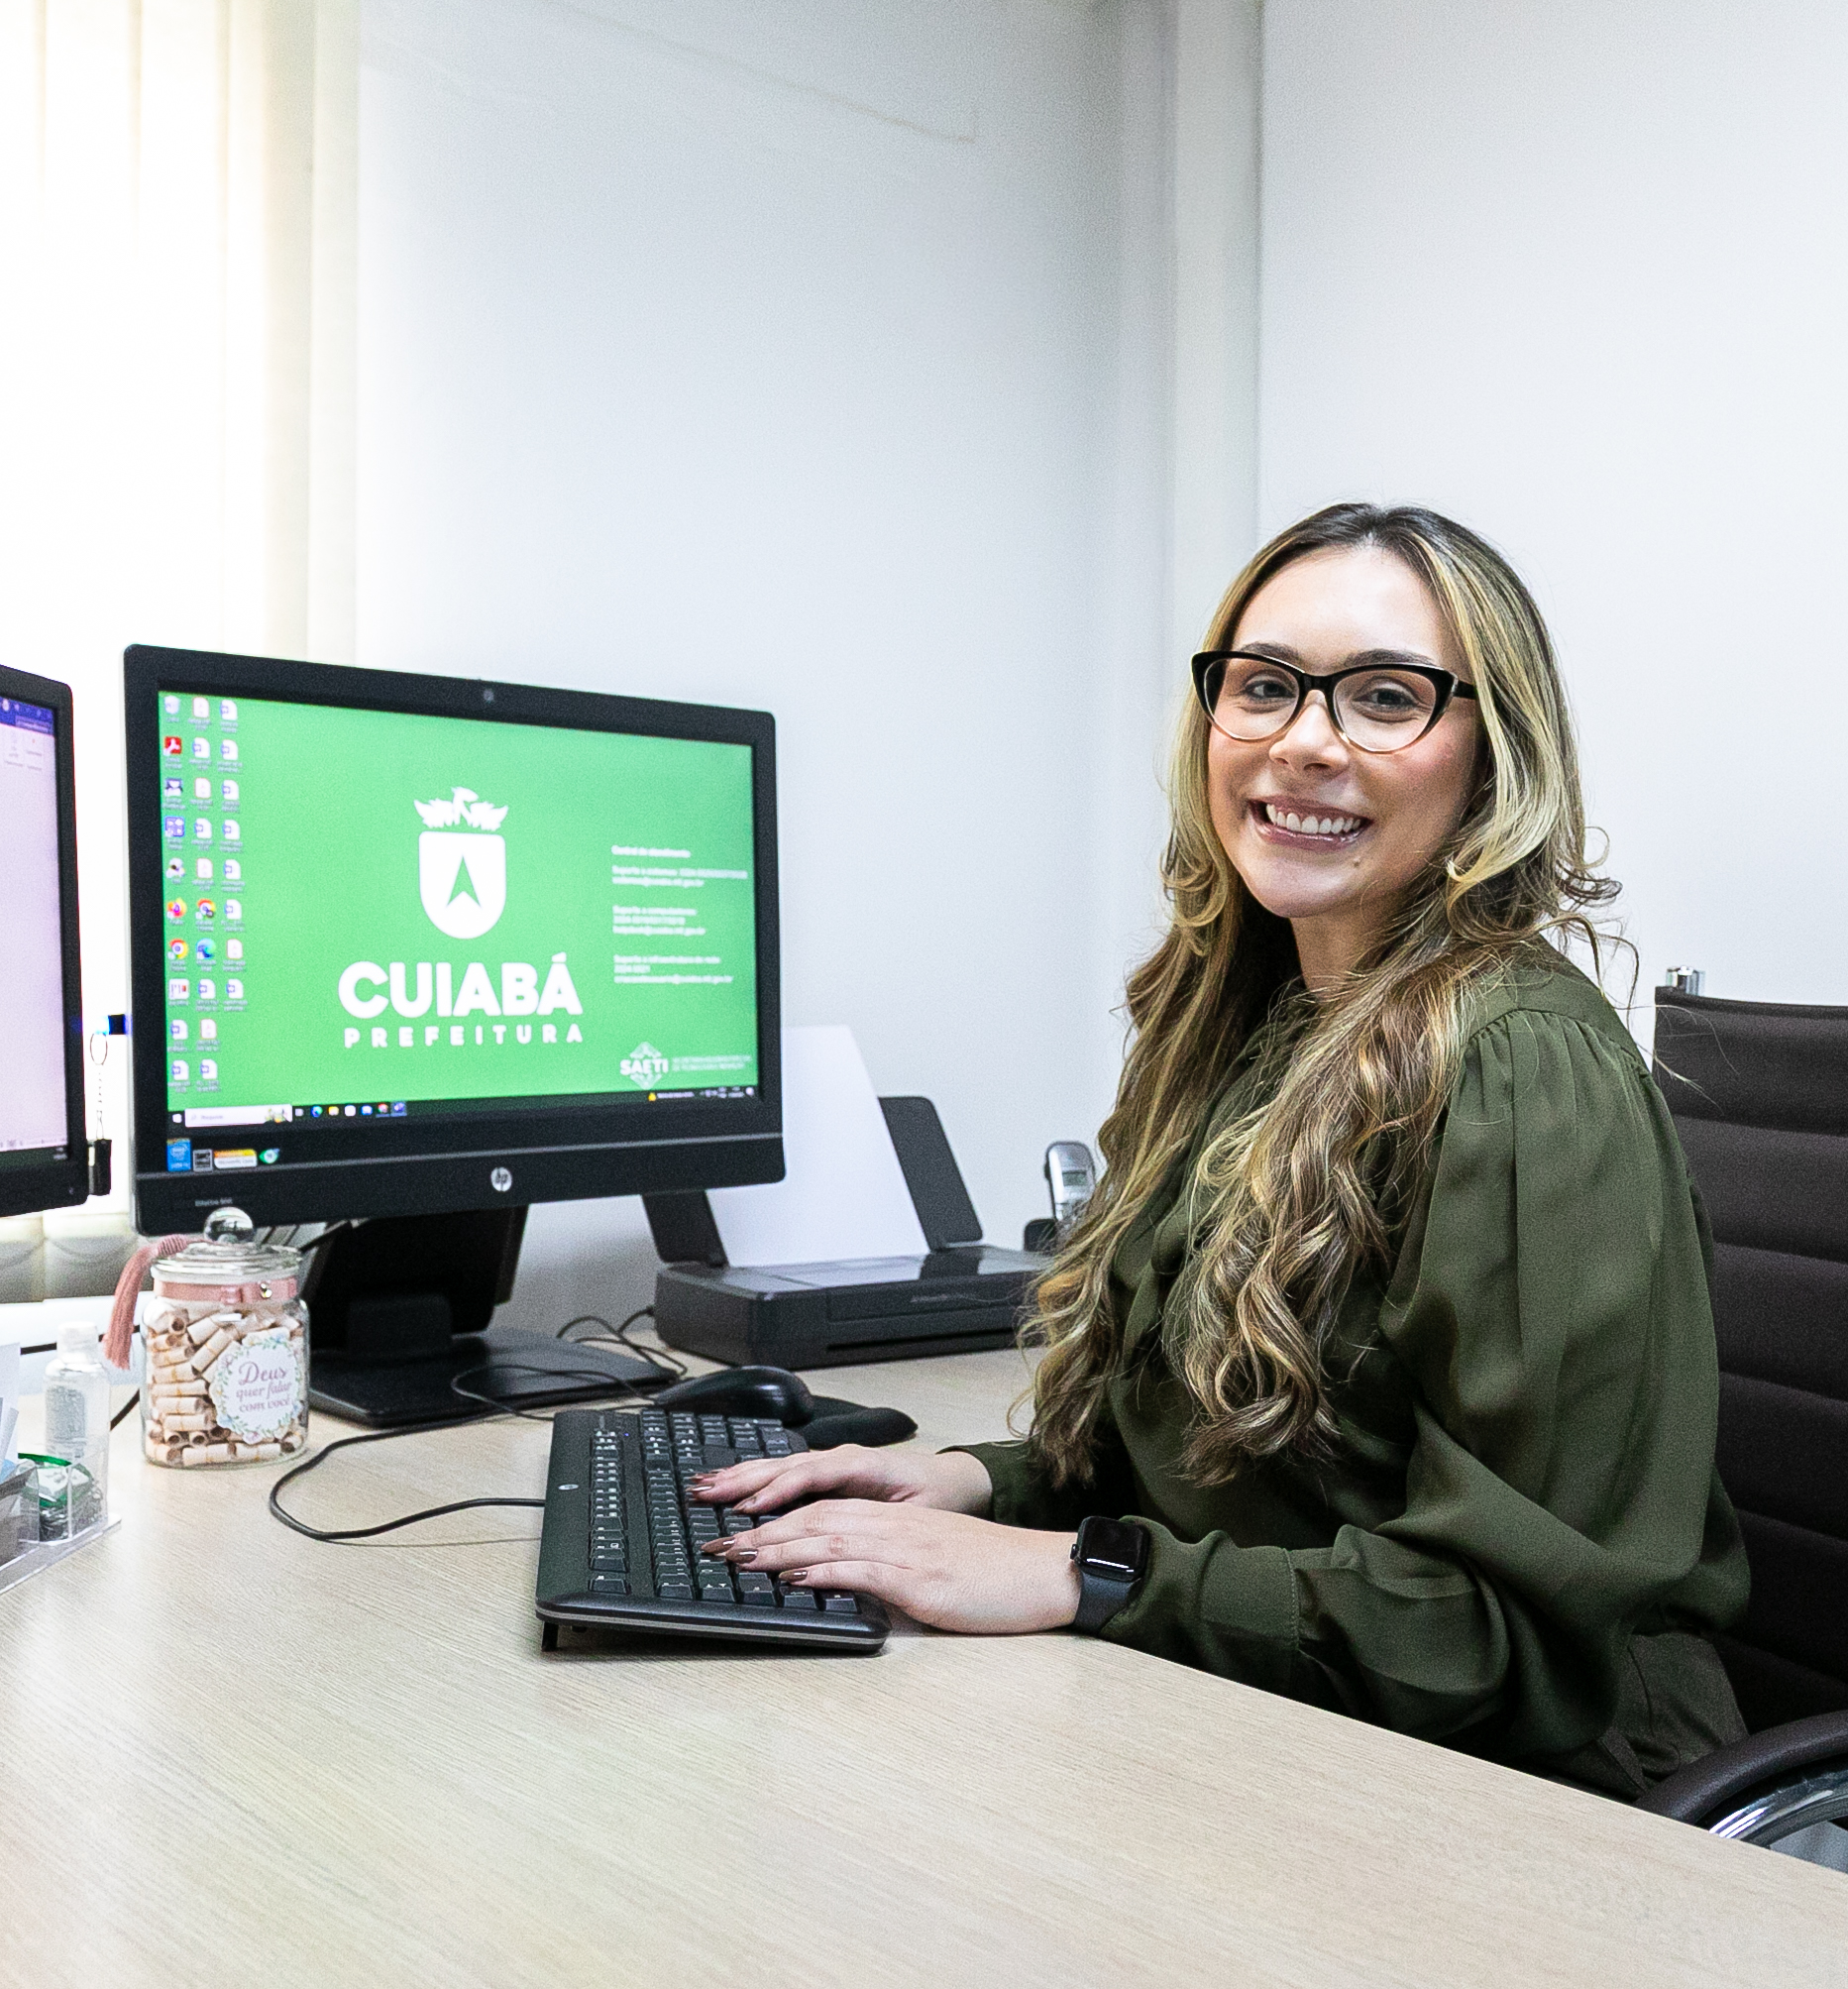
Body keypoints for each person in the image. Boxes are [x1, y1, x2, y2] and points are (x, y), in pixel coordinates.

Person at [696, 502, 1749, 1796]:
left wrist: (1084, 1574)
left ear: (1494, 755)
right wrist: (977, 1485)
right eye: (1263, 686)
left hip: (1535, 1797)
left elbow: (1510, 1629)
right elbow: (1223, 1482)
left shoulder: (1520, 1065)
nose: (1303, 740)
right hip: (1280, 1720)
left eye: (1384, 697)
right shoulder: (1251, 1014)